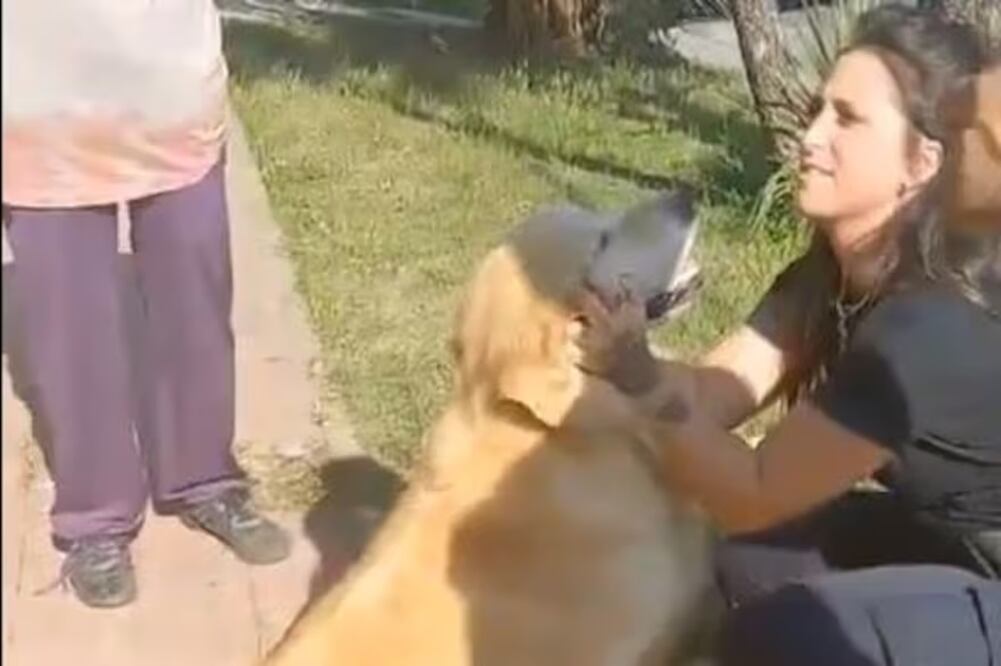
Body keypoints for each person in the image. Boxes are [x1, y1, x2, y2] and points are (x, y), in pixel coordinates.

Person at [576, 5, 1000, 664]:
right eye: (816, 110)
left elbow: (752, 489)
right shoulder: (827, 277)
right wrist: (605, 360)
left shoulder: (929, 325)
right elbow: (716, 393)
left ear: (921, 162)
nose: (809, 137)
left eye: (847, 119)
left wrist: (637, 380)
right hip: (948, 539)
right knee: (733, 558)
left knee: (793, 635)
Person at [2, 1, 290, 609]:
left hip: (169, 88)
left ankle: (206, 478)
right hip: (36, 98)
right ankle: (95, 520)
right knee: (70, 328)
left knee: (196, 300)